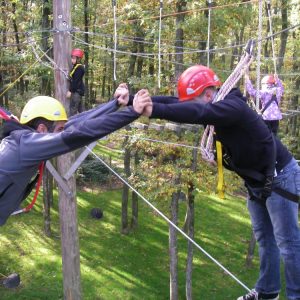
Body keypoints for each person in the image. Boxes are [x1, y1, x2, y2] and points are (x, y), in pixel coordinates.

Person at [133, 65, 300, 300]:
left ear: (208, 95)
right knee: (266, 239)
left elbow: (197, 113)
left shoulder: (232, 107)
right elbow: (180, 103)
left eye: (194, 100)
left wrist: (153, 110)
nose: (190, 105)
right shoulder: (215, 105)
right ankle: (268, 291)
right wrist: (133, 100)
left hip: (280, 176)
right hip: (258, 181)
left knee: (289, 244)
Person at [0, 83, 147, 226]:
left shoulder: (24, 141)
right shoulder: (27, 146)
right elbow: (76, 134)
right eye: (59, 129)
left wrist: (115, 104)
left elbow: (76, 123)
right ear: (42, 129)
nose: (62, 132)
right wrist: (132, 113)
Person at [66, 48, 85, 116]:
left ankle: (72, 125)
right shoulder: (75, 67)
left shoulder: (79, 68)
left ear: (78, 59)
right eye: (72, 58)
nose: (72, 60)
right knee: (81, 111)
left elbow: (76, 81)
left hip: (76, 92)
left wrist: (70, 91)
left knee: (73, 110)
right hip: (78, 92)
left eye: (74, 58)